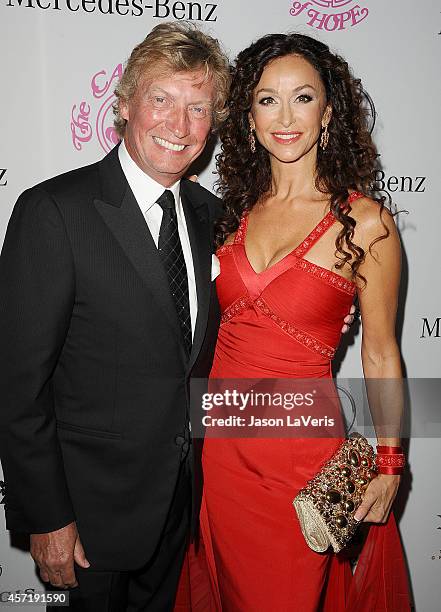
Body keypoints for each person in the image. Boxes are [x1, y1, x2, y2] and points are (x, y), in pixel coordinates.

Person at [0, 22, 231, 611]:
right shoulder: (54, 210)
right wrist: (46, 516)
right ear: (124, 104)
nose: (179, 127)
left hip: (180, 508)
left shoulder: (214, 217)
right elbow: (18, 384)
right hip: (86, 519)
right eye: (161, 100)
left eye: (198, 108)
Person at [178, 33, 411, 611]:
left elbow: (380, 354)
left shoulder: (365, 224)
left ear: (328, 113)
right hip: (221, 457)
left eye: (302, 98)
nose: (285, 117)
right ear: (248, 117)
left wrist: (389, 463)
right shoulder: (224, 214)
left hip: (300, 460)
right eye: (266, 99)